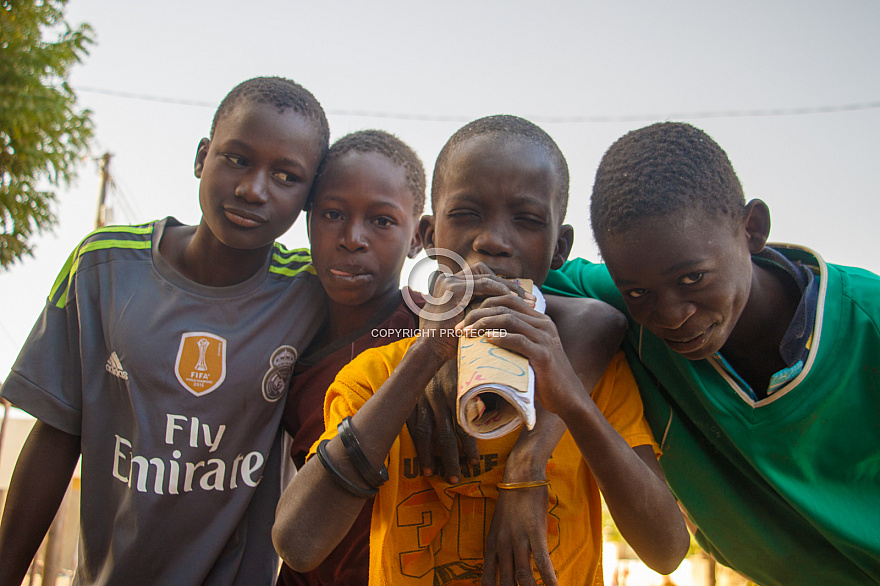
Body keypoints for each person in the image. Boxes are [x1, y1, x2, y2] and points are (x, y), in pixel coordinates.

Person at [273, 115, 689, 585]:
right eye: (467, 214)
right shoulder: (379, 372)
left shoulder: (591, 377)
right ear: (430, 238)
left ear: (559, 248)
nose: (491, 240)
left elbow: (667, 550)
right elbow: (298, 543)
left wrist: (568, 404)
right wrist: (425, 360)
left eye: (527, 220)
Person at [0, 76, 330, 586]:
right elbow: (56, 431)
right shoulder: (104, 266)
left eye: (286, 176)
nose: (252, 188)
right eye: (237, 159)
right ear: (202, 157)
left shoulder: (313, 292)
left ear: (308, 198)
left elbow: (405, 331)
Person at [543, 121, 880, 585]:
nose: (671, 315)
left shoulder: (868, 322)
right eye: (638, 292)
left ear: (752, 229)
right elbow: (509, 271)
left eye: (693, 279)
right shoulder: (618, 302)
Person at [277, 128, 426, 585]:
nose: (352, 238)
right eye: (333, 214)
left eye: (382, 221)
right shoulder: (281, 329)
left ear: (419, 236)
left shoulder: (431, 330)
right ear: (307, 220)